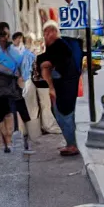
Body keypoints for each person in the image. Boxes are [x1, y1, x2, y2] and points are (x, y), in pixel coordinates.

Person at [0, 23, 34, 154]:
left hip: (13, 89)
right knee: (0, 119)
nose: (5, 37)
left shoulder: (12, 50)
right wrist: (13, 73)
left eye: (7, 34)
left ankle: (25, 142)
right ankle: (7, 143)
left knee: (20, 114)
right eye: (2, 34)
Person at [38, 21, 81, 156]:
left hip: (65, 88)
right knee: (61, 114)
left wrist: (50, 87)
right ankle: (71, 143)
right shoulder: (57, 46)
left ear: (54, 32)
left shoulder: (58, 45)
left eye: (48, 32)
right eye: (45, 32)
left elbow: (46, 65)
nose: (46, 35)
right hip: (65, 87)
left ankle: (72, 145)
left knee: (64, 115)